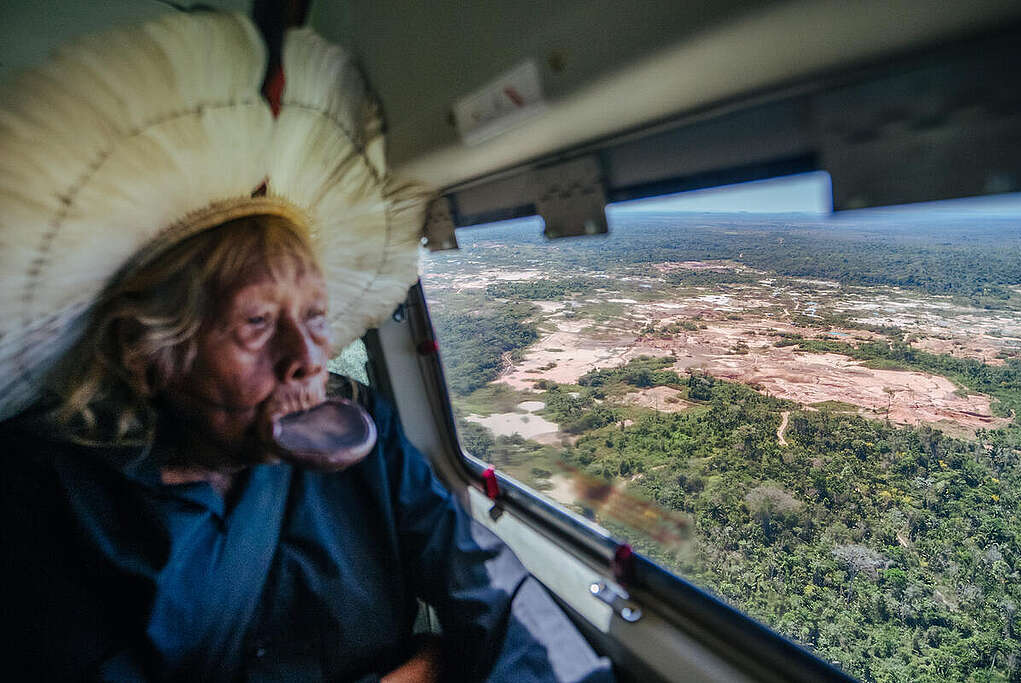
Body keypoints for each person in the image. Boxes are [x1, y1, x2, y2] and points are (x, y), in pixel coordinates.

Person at [0, 11, 613, 683]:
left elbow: (491, 588)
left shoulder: (368, 429)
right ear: (150, 352)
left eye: (316, 316)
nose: (308, 358)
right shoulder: (44, 498)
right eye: (257, 323)